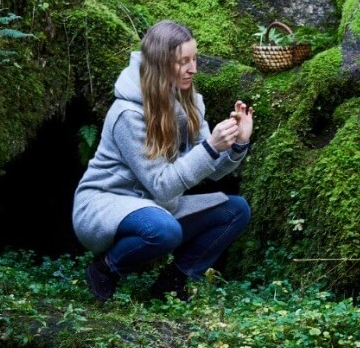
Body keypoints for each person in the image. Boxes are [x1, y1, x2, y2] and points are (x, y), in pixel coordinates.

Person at [72, 20, 253, 302]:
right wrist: (210, 146)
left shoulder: (189, 101)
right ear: (160, 63)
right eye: (184, 62)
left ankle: (173, 281)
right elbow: (163, 185)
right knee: (163, 230)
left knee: (236, 210)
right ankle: (105, 269)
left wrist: (237, 144)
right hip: (104, 205)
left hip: (159, 206)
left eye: (194, 59)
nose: (193, 69)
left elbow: (215, 171)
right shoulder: (127, 113)